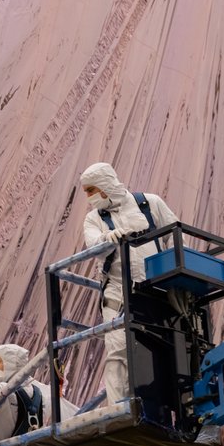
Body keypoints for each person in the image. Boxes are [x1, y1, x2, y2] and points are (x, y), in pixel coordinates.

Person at [80, 161, 179, 404]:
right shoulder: (94, 220)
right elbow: (94, 248)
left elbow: (176, 239)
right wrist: (107, 239)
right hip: (118, 297)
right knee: (118, 354)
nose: (89, 198)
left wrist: (177, 279)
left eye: (91, 190)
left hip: (158, 293)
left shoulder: (150, 203)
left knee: (166, 351)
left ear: (105, 186)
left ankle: (167, 410)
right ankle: (120, 411)